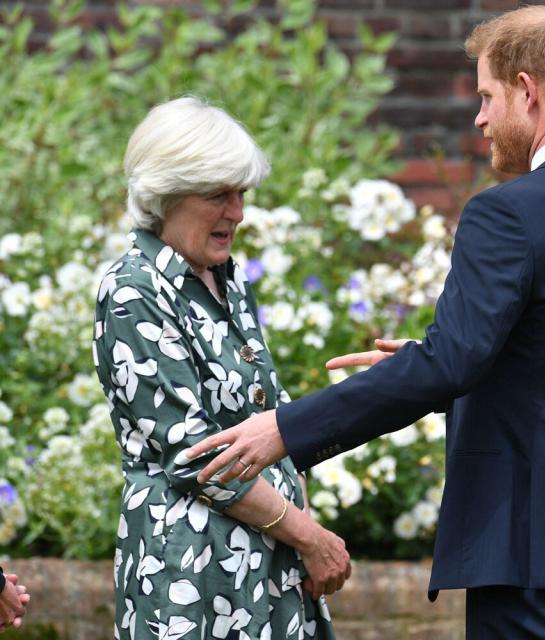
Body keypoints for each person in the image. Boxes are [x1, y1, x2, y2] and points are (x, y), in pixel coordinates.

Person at [188, 6, 545, 639]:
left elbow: (453, 362)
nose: (480, 118)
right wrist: (434, 361)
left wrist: (285, 429)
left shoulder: (507, 214)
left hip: (538, 557)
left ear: (528, 92)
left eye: (487, 96)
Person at [93, 96, 349, 640]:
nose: (237, 212)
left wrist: (301, 529)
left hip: (270, 567)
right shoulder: (133, 289)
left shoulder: (223, 278)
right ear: (165, 194)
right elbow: (194, 456)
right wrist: (308, 537)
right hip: (193, 574)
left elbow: (270, 418)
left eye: (241, 194)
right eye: (218, 195)